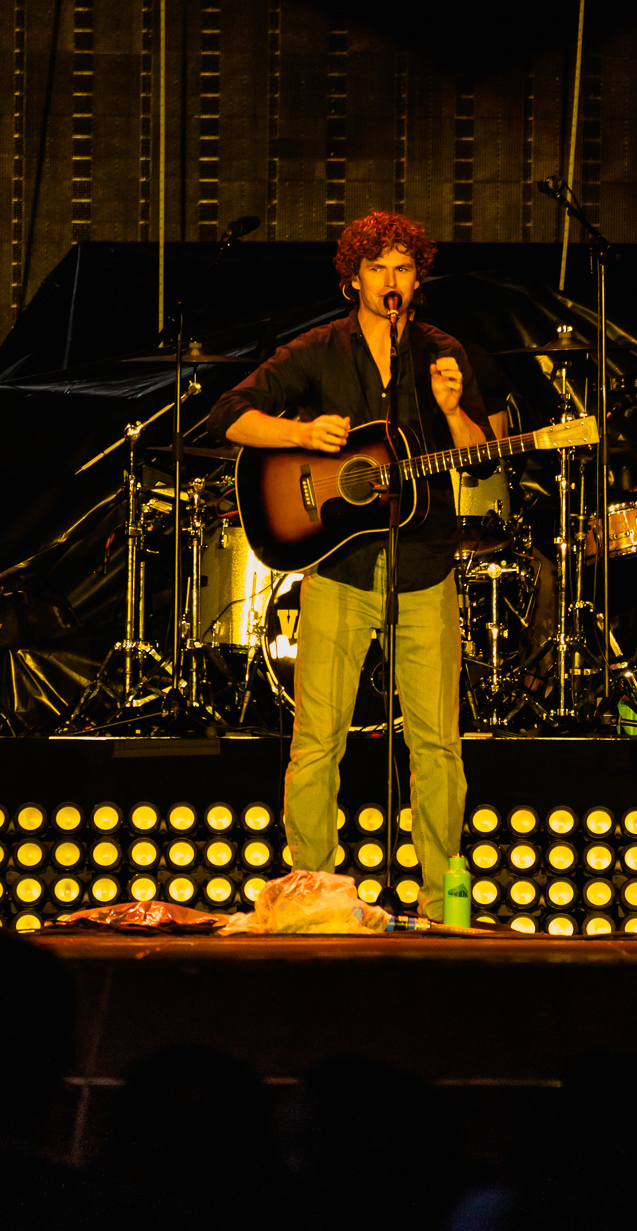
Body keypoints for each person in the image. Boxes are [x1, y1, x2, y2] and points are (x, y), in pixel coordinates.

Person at [207, 211, 490, 917]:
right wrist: (301, 432)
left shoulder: (441, 349)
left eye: (403, 268)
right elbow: (230, 415)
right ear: (353, 279)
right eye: (377, 269)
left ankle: (438, 896)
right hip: (337, 568)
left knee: (437, 742)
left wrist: (454, 413)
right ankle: (316, 890)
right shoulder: (320, 350)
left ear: (417, 277)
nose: (391, 281)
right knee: (317, 738)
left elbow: (484, 451)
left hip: (424, 564)